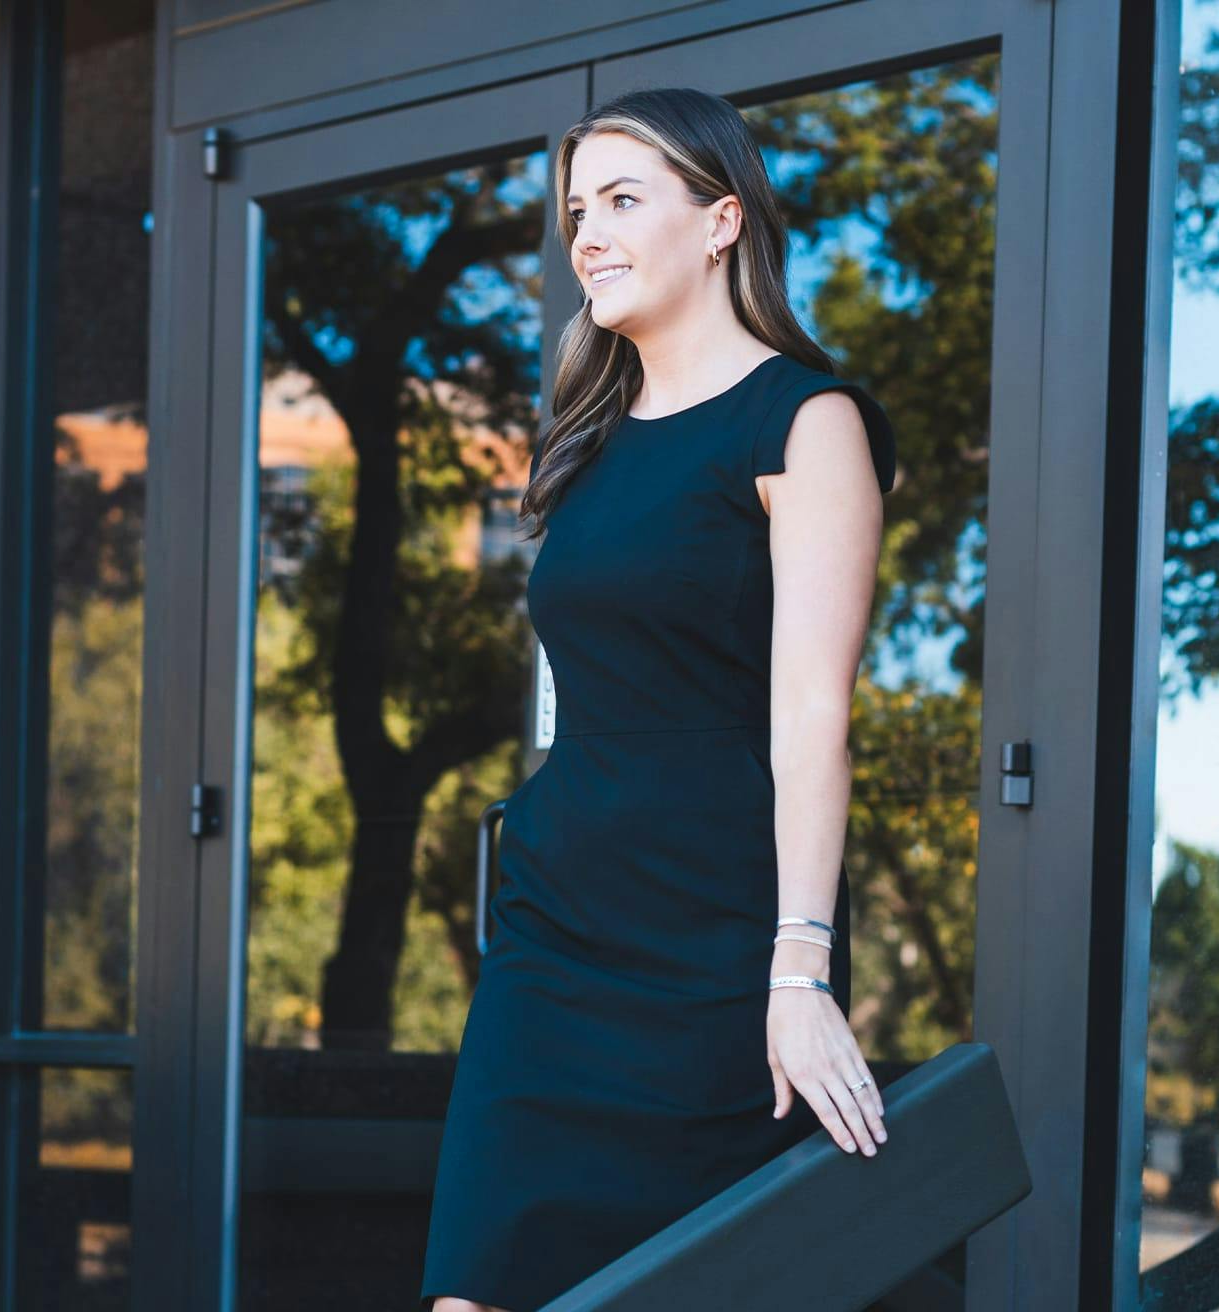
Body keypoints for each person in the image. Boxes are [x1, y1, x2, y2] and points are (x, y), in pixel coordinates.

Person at [420, 85, 899, 1312]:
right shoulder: (583, 446)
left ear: (722, 218)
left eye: (624, 200)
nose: (587, 232)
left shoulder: (807, 420)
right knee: (472, 1287)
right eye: (579, 209)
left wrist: (800, 972)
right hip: (556, 931)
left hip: (712, 942)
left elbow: (811, 718)